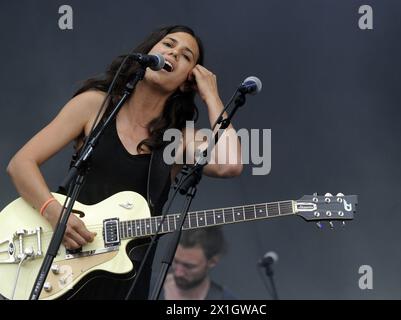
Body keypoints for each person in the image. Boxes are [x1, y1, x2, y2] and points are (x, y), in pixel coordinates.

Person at [6, 25, 243, 299]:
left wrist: (211, 95)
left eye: (186, 56)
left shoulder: (179, 138)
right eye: (168, 44)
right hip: (62, 266)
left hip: (125, 283)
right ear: (150, 51)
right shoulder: (95, 106)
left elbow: (230, 164)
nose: (173, 53)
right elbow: (21, 162)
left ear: (187, 81)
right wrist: (54, 213)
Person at [160, 227, 236, 300]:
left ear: (212, 261)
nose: (178, 273)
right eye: (176, 261)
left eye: (189, 266)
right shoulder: (149, 284)